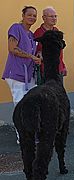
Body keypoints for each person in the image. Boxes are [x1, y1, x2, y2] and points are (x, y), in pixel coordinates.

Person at [2, 6, 41, 144]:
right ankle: (22, 137)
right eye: (29, 15)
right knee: (20, 105)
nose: (32, 18)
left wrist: (37, 56)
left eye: (34, 16)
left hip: (28, 75)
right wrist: (31, 56)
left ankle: (30, 133)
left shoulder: (31, 35)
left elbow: (32, 53)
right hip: (15, 73)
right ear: (23, 15)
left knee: (31, 104)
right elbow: (12, 48)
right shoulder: (16, 28)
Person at [34, 7, 66, 84]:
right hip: (45, 71)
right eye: (51, 16)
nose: (54, 18)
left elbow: (60, 52)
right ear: (44, 18)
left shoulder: (56, 31)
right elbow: (35, 52)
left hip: (58, 69)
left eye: (55, 16)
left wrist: (63, 66)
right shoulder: (38, 33)